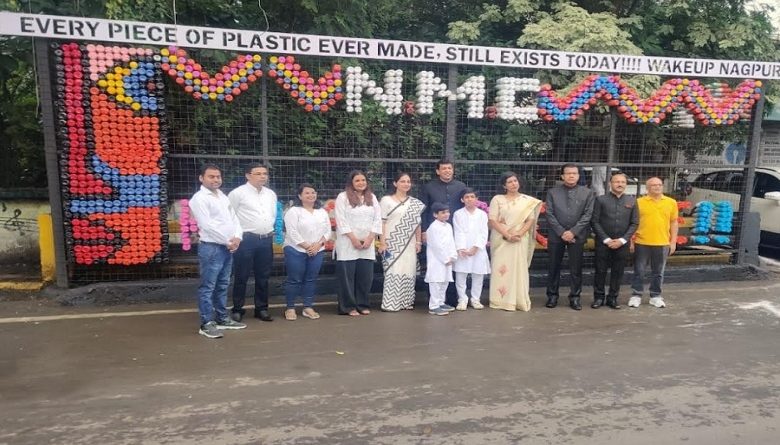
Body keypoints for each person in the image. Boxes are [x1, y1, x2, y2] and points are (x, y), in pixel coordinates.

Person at [188, 164, 247, 339]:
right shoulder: (199, 199)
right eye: (211, 176)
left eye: (218, 176)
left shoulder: (223, 196)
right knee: (208, 286)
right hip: (212, 248)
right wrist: (227, 241)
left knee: (222, 284)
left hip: (228, 246)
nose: (215, 180)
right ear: (201, 178)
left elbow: (234, 218)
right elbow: (207, 225)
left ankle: (222, 318)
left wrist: (237, 237)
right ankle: (206, 323)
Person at [228, 163, 278, 322]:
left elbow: (272, 214)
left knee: (263, 277)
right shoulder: (237, 193)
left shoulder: (270, 194)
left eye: (265, 173)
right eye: (258, 173)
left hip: (265, 239)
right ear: (248, 175)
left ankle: (261, 308)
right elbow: (230, 216)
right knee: (241, 276)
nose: (262, 176)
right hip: (246, 240)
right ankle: (237, 309)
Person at [488, 173, 542, 312]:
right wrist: (507, 235)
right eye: (509, 182)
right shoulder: (497, 199)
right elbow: (493, 220)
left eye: (515, 181)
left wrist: (519, 233)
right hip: (501, 239)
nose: (513, 184)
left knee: (518, 269)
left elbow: (530, 220)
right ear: (504, 185)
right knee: (501, 269)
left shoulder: (527, 201)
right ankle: (500, 301)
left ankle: (518, 300)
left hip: (519, 239)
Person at [545, 164, 595, 310]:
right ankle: (552, 296)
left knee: (576, 268)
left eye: (574, 173)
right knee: (554, 266)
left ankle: (575, 297)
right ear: (562, 176)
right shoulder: (552, 192)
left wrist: (573, 232)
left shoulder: (587, 193)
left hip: (577, 235)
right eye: (568, 173)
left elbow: (588, 215)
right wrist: (562, 232)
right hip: (556, 235)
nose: (571, 176)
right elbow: (549, 213)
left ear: (579, 176)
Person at [334, 170, 382, 316]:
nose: (361, 183)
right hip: (348, 243)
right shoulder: (342, 197)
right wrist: (354, 239)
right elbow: (340, 220)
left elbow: (377, 219)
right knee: (347, 277)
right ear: (351, 183)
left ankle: (362, 304)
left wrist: (370, 238)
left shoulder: (372, 197)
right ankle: (348, 307)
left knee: (365, 276)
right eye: (357, 181)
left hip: (367, 244)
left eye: (363, 180)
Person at [282, 183, 332, 321]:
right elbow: (291, 231)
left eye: (313, 192)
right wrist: (307, 246)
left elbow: (327, 231)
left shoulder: (322, 212)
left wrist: (318, 245)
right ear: (300, 196)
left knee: (311, 278)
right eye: (307, 193)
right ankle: (290, 307)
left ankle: (308, 307)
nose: (311, 195)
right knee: (294, 279)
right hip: (295, 249)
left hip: (318, 250)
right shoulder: (294, 211)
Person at [421, 159, 467, 307]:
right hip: (434, 231)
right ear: (438, 171)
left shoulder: (461, 186)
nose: (447, 171)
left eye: (449, 168)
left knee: (452, 264)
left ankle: (451, 300)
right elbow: (424, 210)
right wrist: (423, 231)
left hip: (455, 230)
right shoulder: (429, 187)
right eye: (444, 168)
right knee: (436, 264)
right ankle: (433, 301)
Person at [591, 173, 639, 309]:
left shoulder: (632, 201)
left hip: (622, 244)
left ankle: (613, 298)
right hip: (603, 243)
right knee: (600, 271)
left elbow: (635, 223)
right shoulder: (600, 200)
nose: (620, 184)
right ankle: (599, 298)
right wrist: (606, 239)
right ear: (610, 184)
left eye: (623, 182)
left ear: (626, 184)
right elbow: (595, 221)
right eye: (616, 181)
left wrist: (623, 240)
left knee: (618, 272)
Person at [629, 177, 679, 308]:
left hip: (662, 242)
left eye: (659, 185)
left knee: (658, 271)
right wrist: (631, 241)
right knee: (639, 270)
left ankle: (655, 295)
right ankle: (636, 295)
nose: (657, 187)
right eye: (653, 185)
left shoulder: (671, 202)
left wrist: (673, 242)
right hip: (641, 241)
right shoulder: (639, 202)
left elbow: (674, 222)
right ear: (647, 188)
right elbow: (632, 223)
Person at [378, 172, 425, 312]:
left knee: (408, 270)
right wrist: (382, 242)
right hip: (391, 242)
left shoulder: (415, 203)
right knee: (393, 270)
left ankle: (406, 302)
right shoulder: (386, 201)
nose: (406, 184)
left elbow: (417, 223)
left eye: (408, 181)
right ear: (395, 183)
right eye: (402, 181)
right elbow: (382, 222)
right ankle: (390, 303)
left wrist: (418, 242)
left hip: (410, 244)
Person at [453, 188, 490, 310]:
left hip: (478, 250)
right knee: (461, 275)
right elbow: (458, 232)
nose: (469, 199)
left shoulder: (482, 214)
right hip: (462, 250)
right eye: (467, 197)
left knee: (478, 275)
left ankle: (475, 299)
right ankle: (462, 299)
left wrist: (476, 248)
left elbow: (483, 233)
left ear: (477, 199)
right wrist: (461, 248)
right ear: (462, 199)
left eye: (472, 197)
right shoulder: (458, 214)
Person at [425, 202, 458, 316]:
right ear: (435, 214)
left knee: (445, 281)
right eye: (443, 212)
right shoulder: (433, 228)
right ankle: (433, 306)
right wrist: (445, 259)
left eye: (447, 212)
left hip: (448, 259)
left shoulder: (448, 226)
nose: (446, 214)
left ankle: (440, 302)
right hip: (437, 260)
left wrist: (453, 256)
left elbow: (451, 242)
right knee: (436, 282)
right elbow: (436, 246)